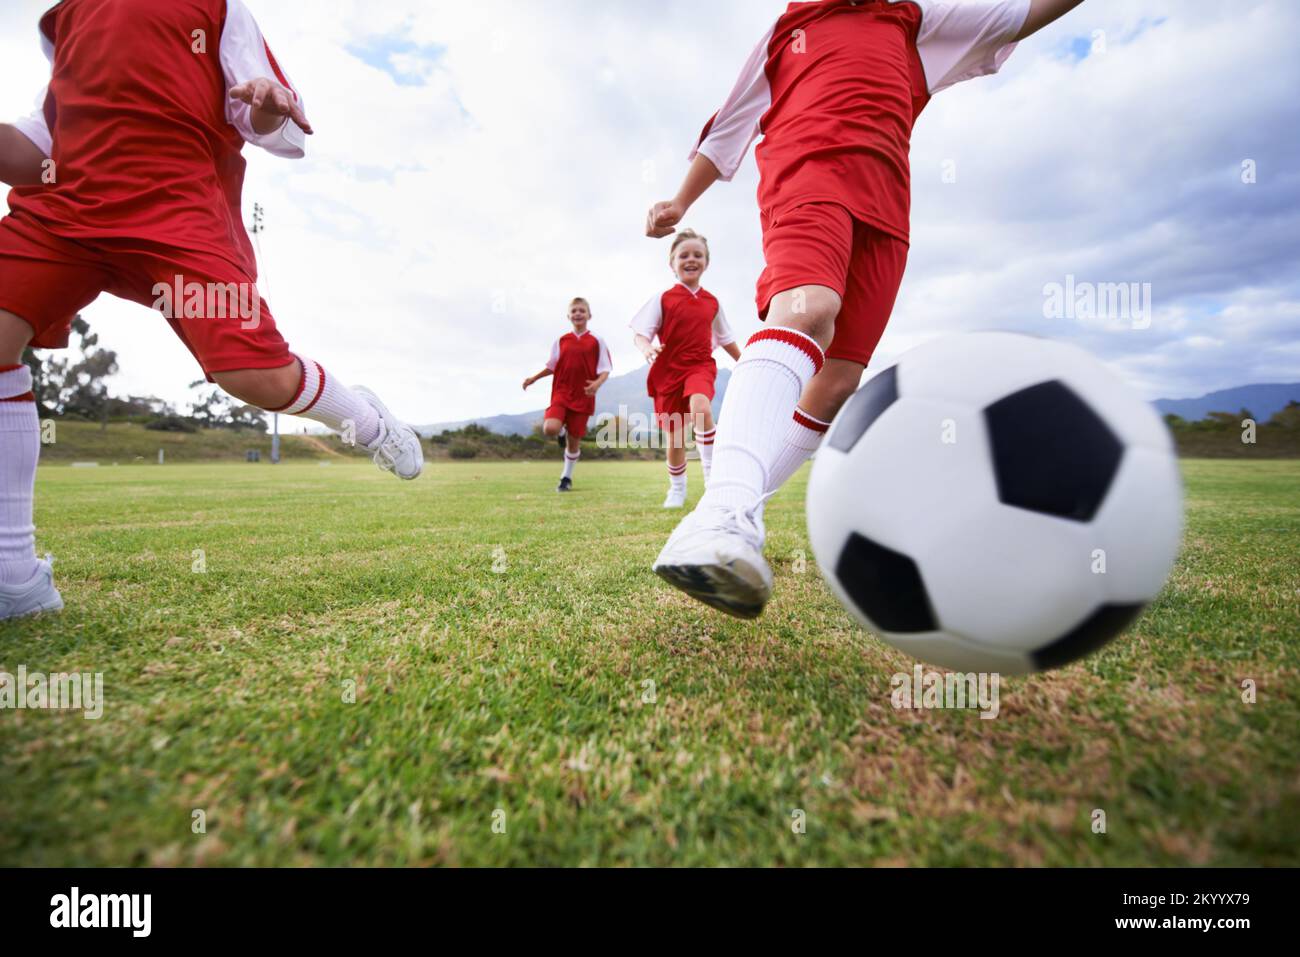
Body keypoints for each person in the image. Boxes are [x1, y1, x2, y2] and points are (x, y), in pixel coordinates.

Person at [646, 0, 1087, 619]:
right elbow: (730, 127)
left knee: (836, 382)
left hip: (885, 208)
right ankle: (720, 517)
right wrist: (679, 201)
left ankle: (731, 513)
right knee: (806, 309)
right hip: (805, 176)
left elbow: (1029, 12)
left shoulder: (918, 22)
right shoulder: (789, 27)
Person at [0, 0, 424, 622]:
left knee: (256, 378)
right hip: (66, 210)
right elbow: (37, 143)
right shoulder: (68, 17)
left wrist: (264, 102)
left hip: (175, 210)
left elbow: (267, 115)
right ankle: (16, 578)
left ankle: (364, 418)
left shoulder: (215, 9)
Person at [630, 229, 741, 509]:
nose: (691, 259)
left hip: (700, 365)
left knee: (702, 409)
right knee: (676, 437)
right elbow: (641, 333)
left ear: (706, 262)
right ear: (672, 263)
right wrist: (646, 349)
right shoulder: (663, 298)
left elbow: (726, 338)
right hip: (668, 371)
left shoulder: (712, 302)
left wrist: (745, 363)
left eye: (697, 255)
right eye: (684, 255)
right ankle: (677, 490)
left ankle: (712, 486)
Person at [522, 298, 613, 493]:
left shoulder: (597, 340)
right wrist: (533, 378)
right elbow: (551, 366)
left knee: (574, 442)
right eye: (574, 311)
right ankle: (560, 432)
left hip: (583, 396)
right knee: (550, 428)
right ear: (569, 316)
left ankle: (566, 477)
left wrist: (597, 384)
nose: (578, 313)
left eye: (582, 310)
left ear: (589, 315)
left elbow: (605, 369)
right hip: (562, 392)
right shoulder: (561, 340)